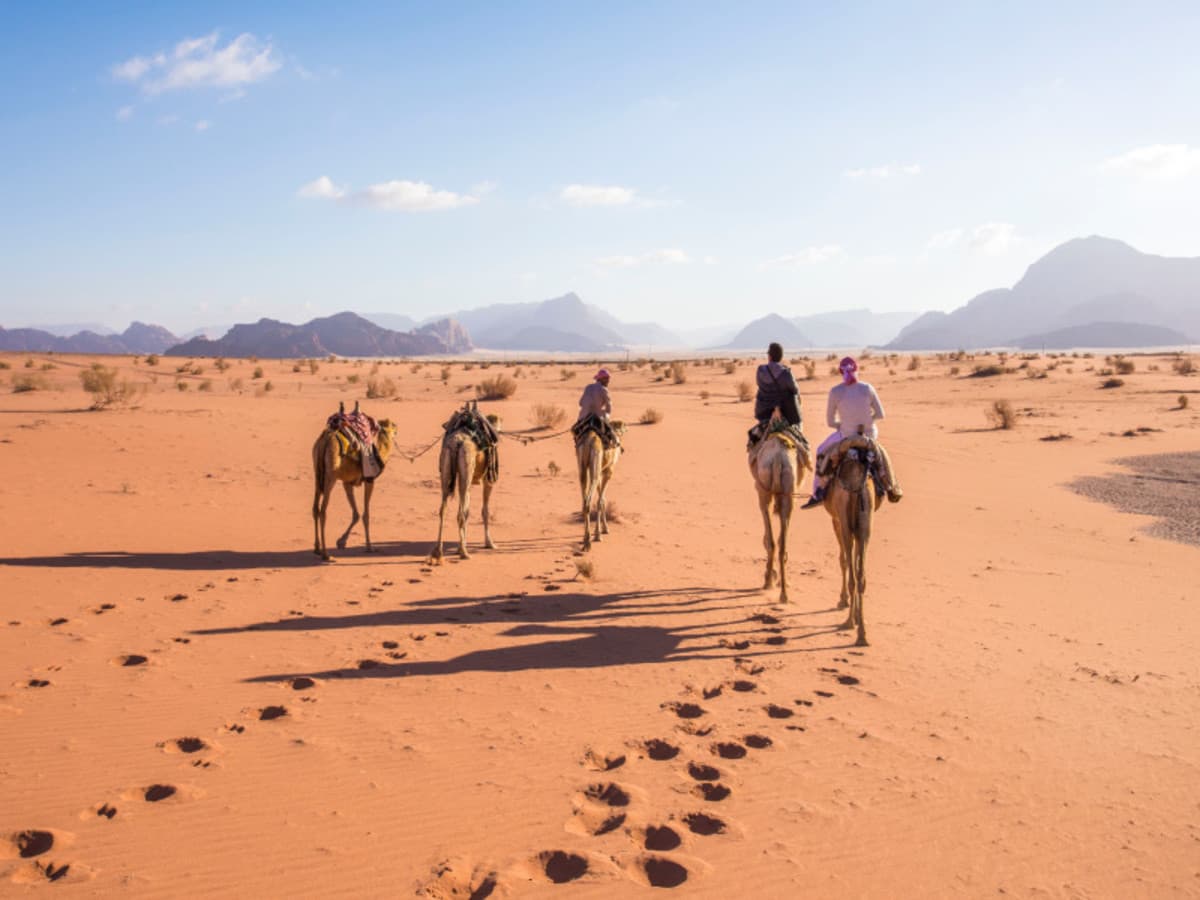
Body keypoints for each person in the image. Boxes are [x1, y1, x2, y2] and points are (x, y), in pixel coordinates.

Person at [801, 356, 902, 508]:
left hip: (846, 436)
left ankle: (818, 492)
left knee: (821, 450)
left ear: (840, 371)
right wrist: (868, 420)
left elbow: (830, 422)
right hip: (869, 435)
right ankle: (891, 487)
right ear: (857, 369)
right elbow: (880, 414)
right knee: (882, 456)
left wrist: (844, 425)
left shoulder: (835, 391)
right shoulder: (868, 388)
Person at [749, 342, 804, 446]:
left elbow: (758, 384)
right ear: (781, 357)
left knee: (757, 438)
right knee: (799, 428)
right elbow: (795, 390)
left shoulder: (760, 371)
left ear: (769, 356)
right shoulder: (786, 373)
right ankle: (803, 450)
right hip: (786, 413)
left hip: (764, 412)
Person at [574, 368, 618, 447]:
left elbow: (580, 403)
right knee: (610, 434)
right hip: (598, 417)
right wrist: (607, 414)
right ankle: (612, 445)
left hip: (583, 417)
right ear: (600, 379)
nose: (608, 381)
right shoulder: (604, 390)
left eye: (608, 378)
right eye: (606, 378)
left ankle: (577, 444)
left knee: (575, 431)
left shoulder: (588, 387)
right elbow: (609, 406)